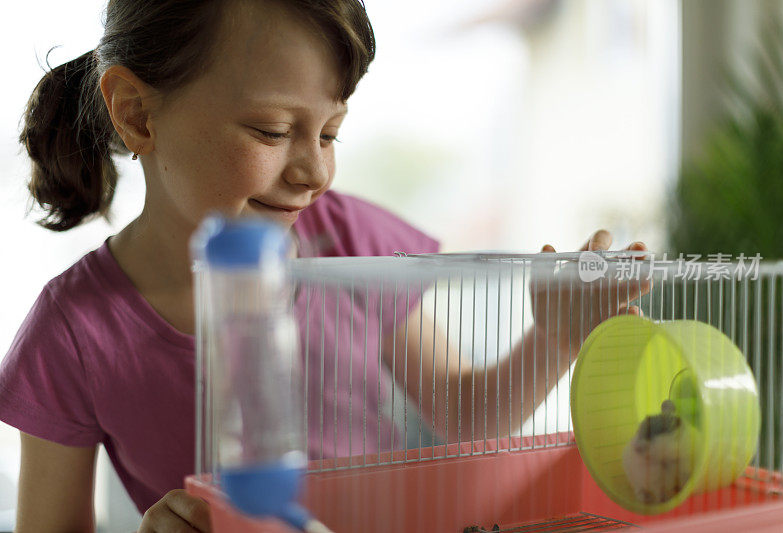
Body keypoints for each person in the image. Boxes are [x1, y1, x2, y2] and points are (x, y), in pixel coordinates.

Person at [0, 0, 647, 531]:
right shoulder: (74, 330)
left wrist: (557, 336)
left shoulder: (350, 239)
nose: (315, 172)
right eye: (273, 131)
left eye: (330, 132)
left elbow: (466, 414)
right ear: (139, 114)